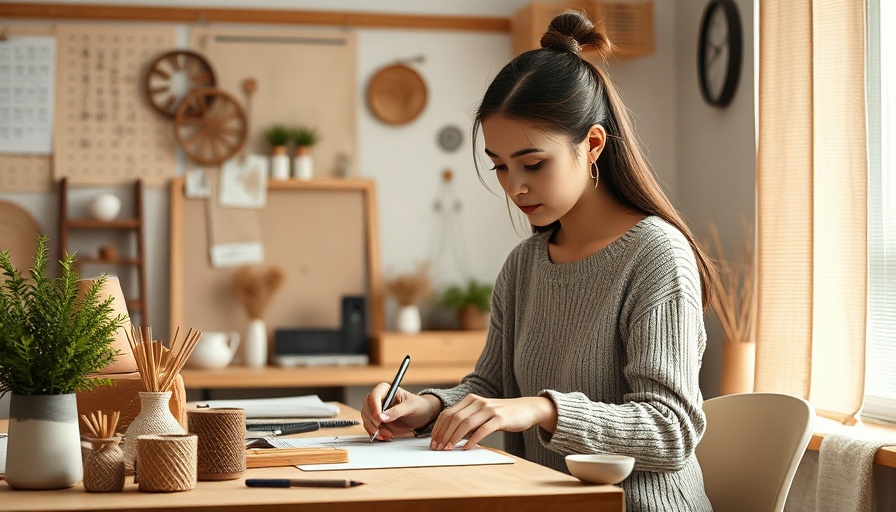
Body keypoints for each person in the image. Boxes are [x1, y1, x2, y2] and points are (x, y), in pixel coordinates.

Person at [362, 10, 715, 512]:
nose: (514, 187)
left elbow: (670, 430)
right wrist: (428, 406)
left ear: (592, 145)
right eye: (500, 166)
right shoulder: (525, 265)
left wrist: (542, 408)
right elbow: (491, 387)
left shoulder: (655, 255)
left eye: (533, 163)